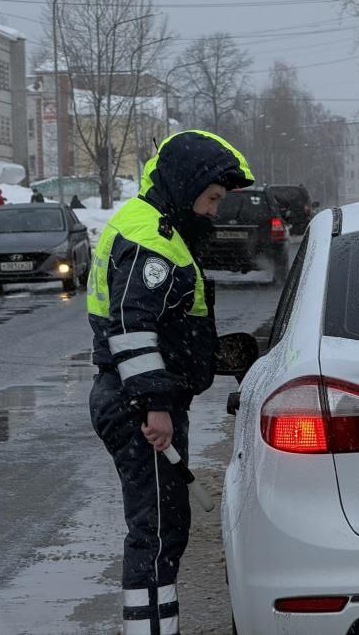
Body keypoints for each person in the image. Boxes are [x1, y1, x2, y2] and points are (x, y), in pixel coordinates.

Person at [87, 130, 253, 635]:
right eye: (212, 198)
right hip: (136, 403)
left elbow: (167, 325)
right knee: (156, 533)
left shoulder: (160, 231)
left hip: (137, 396)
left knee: (164, 529)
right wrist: (154, 404)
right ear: (188, 185)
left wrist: (212, 357)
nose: (213, 211)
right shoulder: (151, 240)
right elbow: (132, 326)